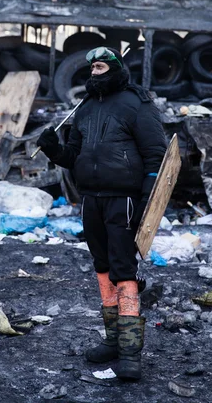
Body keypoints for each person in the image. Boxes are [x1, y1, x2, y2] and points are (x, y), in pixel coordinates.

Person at [37, 46, 167, 380]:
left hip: (122, 198)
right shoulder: (84, 109)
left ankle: (130, 352)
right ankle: (112, 340)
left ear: (114, 69)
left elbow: (156, 155)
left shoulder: (136, 104)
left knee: (124, 269)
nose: (94, 72)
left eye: (100, 67)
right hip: (91, 199)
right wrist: (54, 148)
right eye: (91, 67)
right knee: (102, 268)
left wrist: (146, 201)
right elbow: (73, 156)